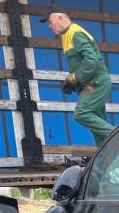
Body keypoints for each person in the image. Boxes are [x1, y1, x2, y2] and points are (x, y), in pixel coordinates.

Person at [42, 12, 114, 146]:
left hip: (96, 83)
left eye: (51, 22)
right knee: (98, 129)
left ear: (60, 18)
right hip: (90, 84)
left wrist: (76, 78)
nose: (50, 26)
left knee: (82, 114)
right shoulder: (66, 36)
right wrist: (71, 82)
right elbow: (78, 64)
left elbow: (92, 61)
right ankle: (113, 157)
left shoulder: (75, 33)